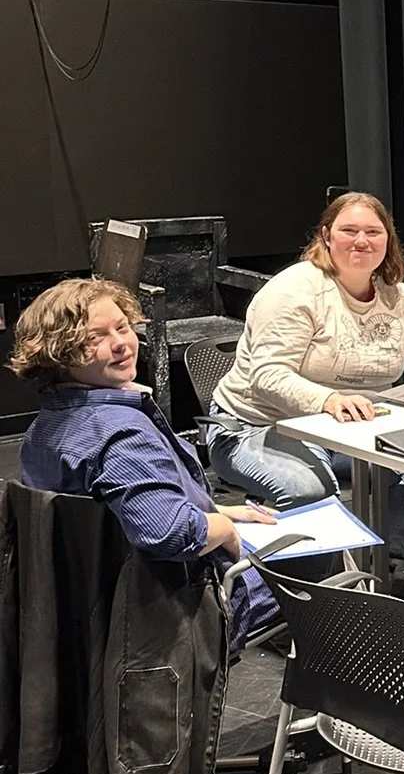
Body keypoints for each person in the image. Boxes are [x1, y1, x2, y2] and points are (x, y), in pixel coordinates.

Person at [11, 279, 280, 650]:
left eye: (122, 327)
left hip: (87, 610)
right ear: (60, 354)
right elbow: (169, 533)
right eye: (95, 338)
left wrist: (218, 510)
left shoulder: (42, 429)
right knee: (325, 567)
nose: (121, 343)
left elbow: (114, 512)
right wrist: (225, 531)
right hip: (177, 610)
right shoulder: (121, 436)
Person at [206, 192, 404, 559]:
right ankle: (319, 592)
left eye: (373, 232)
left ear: (388, 239)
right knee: (309, 489)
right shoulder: (294, 290)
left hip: (353, 429)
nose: (361, 241)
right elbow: (267, 375)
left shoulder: (400, 298)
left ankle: (378, 561)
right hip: (257, 426)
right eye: (349, 230)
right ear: (326, 236)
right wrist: (328, 400)